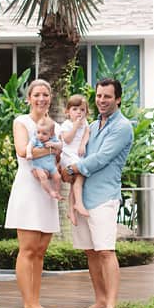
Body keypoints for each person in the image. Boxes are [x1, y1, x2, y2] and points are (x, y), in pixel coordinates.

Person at [73, 76, 135, 308]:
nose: (101, 100)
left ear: (118, 99)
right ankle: (99, 300)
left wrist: (71, 168)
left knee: (106, 251)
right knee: (91, 251)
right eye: (99, 96)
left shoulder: (122, 127)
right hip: (84, 196)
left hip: (104, 197)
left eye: (107, 96)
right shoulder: (93, 124)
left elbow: (100, 159)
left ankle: (111, 305)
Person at [6, 79, 65, 308]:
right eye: (37, 94)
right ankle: (28, 305)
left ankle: (36, 303)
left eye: (46, 95)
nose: (42, 99)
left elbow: (59, 158)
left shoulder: (57, 127)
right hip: (28, 190)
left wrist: (57, 156)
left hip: (47, 190)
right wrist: (53, 149)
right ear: (29, 98)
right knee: (28, 249)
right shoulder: (21, 122)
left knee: (40, 251)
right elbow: (23, 151)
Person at [59, 92, 92, 227]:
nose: (79, 112)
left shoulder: (85, 124)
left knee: (77, 182)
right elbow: (67, 139)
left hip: (78, 155)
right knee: (80, 177)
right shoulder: (66, 124)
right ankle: (78, 203)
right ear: (68, 112)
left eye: (82, 109)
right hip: (68, 156)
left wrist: (84, 144)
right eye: (75, 109)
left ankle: (71, 210)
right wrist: (75, 126)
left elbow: (87, 134)